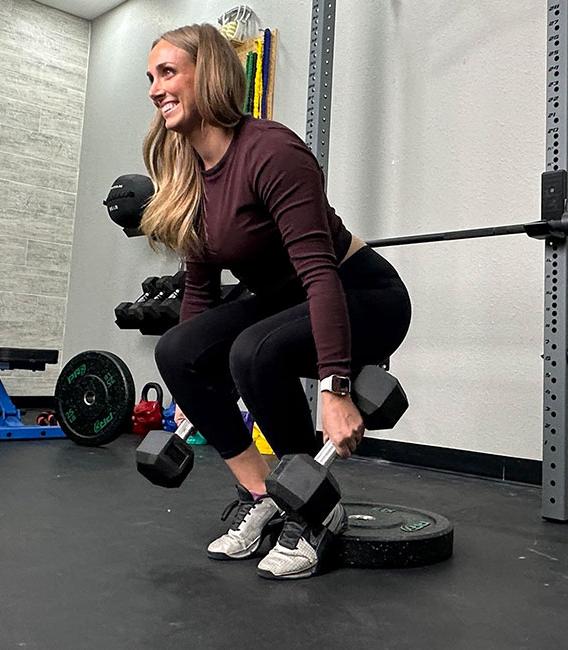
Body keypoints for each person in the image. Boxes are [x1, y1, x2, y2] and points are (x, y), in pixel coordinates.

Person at [142, 23, 412, 580]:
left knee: (254, 353)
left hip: (362, 293)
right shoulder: (187, 174)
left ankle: (318, 509)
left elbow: (319, 273)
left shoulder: (270, 150)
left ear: (208, 73)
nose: (154, 89)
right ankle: (264, 490)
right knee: (176, 352)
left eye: (167, 72)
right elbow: (199, 288)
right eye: (150, 77)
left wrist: (335, 389)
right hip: (285, 301)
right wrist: (192, 389)